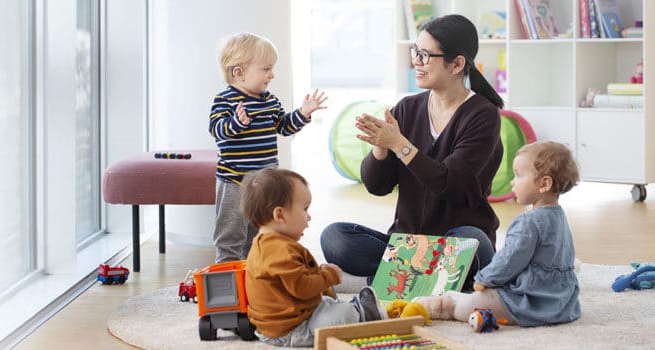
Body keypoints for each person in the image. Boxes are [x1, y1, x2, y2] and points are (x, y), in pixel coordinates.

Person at [321, 14, 503, 288]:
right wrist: (381, 149)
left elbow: (449, 183)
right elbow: (377, 186)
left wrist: (399, 145)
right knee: (334, 237)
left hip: (455, 239)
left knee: (475, 247)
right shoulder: (407, 108)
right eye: (415, 51)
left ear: (457, 64)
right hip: (406, 242)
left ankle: (381, 281)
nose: (415, 61)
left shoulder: (483, 115)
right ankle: (430, 281)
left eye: (425, 55)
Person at [414, 141, 581, 327]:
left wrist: (485, 278)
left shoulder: (528, 222)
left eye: (518, 175)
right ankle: (455, 298)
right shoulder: (559, 216)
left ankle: (446, 307)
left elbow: (510, 259)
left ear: (544, 183)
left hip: (530, 303)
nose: (512, 182)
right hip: (562, 303)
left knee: (475, 302)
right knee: (483, 295)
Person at [209, 32, 327, 263]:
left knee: (259, 233)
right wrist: (236, 123)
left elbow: (284, 127)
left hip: (263, 184)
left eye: (272, 69)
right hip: (234, 181)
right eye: (266, 69)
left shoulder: (270, 100)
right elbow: (217, 131)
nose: (272, 74)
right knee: (230, 233)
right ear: (239, 73)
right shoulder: (225, 100)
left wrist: (303, 113)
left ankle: (255, 274)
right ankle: (228, 275)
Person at [241, 168, 384, 347]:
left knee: (325, 302)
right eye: (305, 209)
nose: (309, 217)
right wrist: (328, 276)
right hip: (292, 330)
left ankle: (354, 308)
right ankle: (360, 313)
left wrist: (319, 274)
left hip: (291, 317)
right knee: (342, 316)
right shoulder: (279, 250)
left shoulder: (265, 244)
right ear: (280, 215)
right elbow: (302, 288)